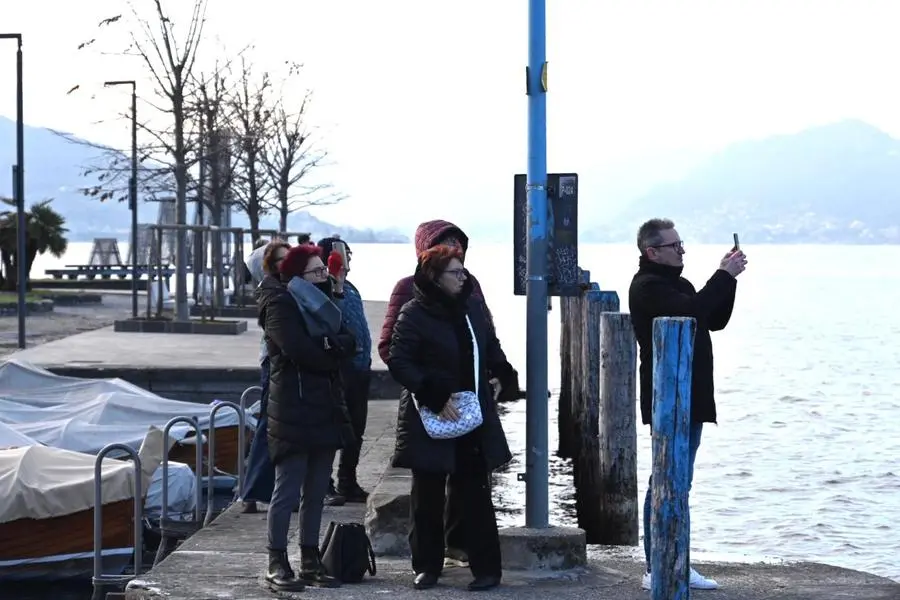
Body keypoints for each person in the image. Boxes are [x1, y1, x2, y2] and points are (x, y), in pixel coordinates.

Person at [378, 219, 518, 569]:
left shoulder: (470, 295)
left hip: (470, 404)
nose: (461, 269)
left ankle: (475, 559)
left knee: (473, 487)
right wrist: (431, 392)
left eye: (461, 250)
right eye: (449, 248)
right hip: (431, 407)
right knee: (426, 491)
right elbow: (392, 351)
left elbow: (487, 339)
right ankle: (427, 566)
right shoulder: (408, 296)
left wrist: (501, 373)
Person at [628, 218, 747, 592]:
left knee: (680, 478)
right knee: (668, 478)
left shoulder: (678, 284)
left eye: (682, 245)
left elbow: (715, 319)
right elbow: (692, 312)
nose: (681, 251)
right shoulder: (647, 287)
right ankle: (660, 564)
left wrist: (730, 280)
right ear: (652, 252)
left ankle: (671, 559)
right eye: (674, 246)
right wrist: (722, 275)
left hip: (690, 394)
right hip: (668, 396)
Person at [255, 243, 357, 591]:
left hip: (324, 405)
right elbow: (298, 350)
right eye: (316, 272)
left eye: (323, 271)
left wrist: (331, 348)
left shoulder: (325, 302)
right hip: (293, 407)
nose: (323, 277)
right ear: (298, 277)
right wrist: (332, 350)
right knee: (287, 488)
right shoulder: (280, 304)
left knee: (316, 489)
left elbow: (350, 341)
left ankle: (310, 558)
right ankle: (276, 560)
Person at [317, 236, 372, 505]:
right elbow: (331, 319)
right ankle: (324, 483)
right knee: (333, 428)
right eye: (344, 254)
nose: (349, 259)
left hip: (361, 369)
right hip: (341, 369)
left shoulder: (351, 288)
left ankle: (347, 480)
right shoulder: (325, 288)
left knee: (357, 428)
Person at [239, 239, 290, 514]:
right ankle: (255, 490)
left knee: (268, 424)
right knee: (270, 424)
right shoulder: (274, 292)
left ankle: (252, 491)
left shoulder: (268, 288)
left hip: (270, 359)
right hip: (275, 361)